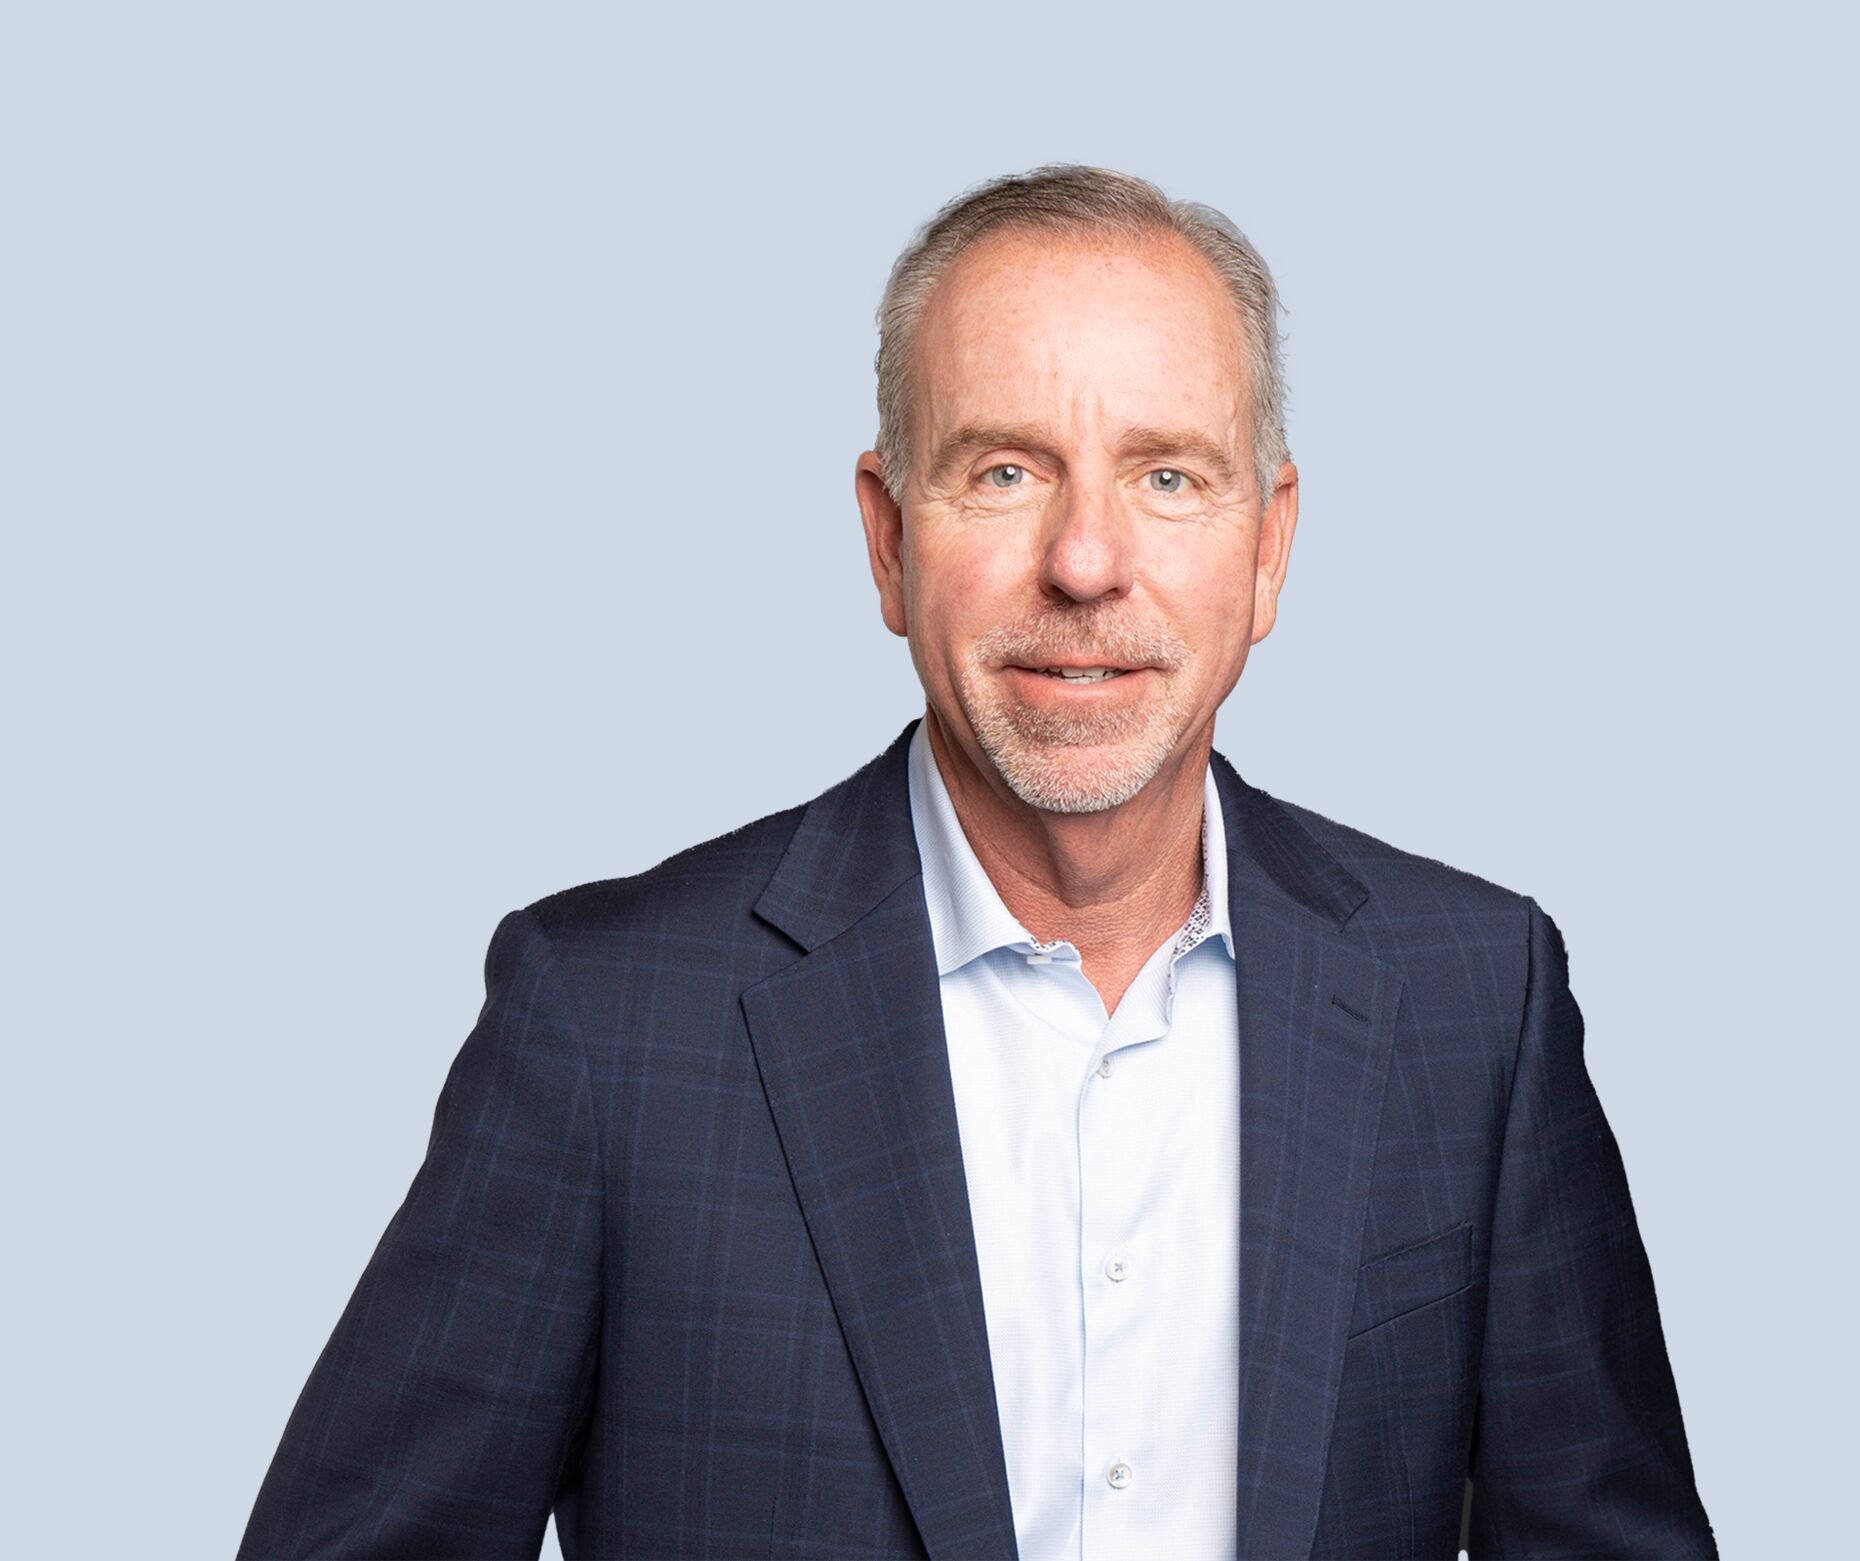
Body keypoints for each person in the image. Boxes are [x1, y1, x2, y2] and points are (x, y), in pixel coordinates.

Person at [238, 165, 1717, 1560]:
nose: (1085, 561)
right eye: (1005, 471)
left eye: (1170, 477)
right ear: (886, 541)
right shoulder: (607, 1026)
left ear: (1269, 551)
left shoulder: (1476, 1004)